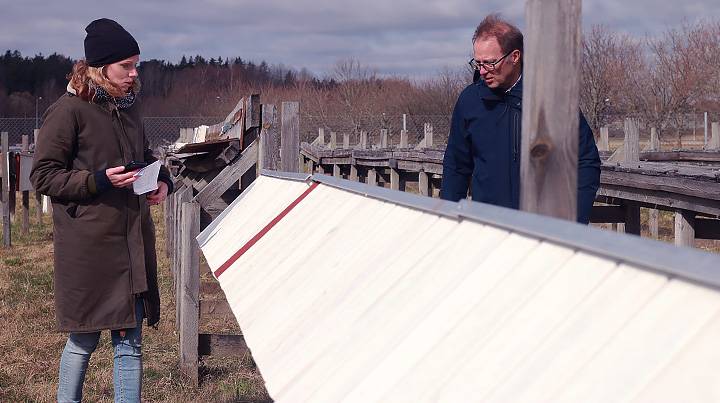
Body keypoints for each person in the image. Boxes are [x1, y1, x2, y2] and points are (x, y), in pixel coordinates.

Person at [30, 18, 174, 402]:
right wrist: (97, 180)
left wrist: (162, 181)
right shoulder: (68, 111)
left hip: (131, 244)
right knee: (84, 339)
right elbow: (43, 177)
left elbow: (142, 157)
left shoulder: (129, 108)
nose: (133, 73)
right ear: (101, 67)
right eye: (126, 65)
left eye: (136, 64)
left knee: (130, 342)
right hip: (90, 248)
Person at [440, 14, 600, 224]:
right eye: (477, 63)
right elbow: (456, 166)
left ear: (514, 57)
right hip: (488, 227)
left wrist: (574, 222)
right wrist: (448, 221)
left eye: (489, 63)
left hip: (545, 228)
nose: (482, 71)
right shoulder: (469, 101)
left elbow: (585, 161)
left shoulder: (551, 100)